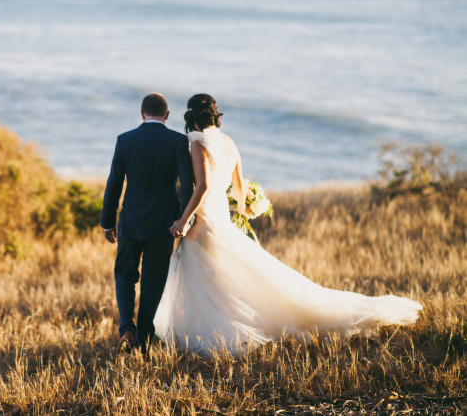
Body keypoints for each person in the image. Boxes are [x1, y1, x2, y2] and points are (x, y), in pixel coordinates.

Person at [155, 94, 422, 356]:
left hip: (204, 220)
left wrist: (182, 219)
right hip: (221, 218)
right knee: (223, 277)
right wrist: (243, 208)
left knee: (209, 278)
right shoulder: (228, 143)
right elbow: (238, 190)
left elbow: (201, 186)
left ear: (191, 115)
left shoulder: (197, 143)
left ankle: (217, 332)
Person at [101, 93, 194, 355]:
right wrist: (182, 218)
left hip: (131, 221)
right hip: (164, 223)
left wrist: (108, 221)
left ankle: (126, 329)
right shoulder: (178, 141)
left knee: (125, 275)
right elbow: (187, 184)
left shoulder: (125, 140)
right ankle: (143, 337)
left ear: (142, 114)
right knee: (153, 281)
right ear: (166, 115)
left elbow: (114, 184)